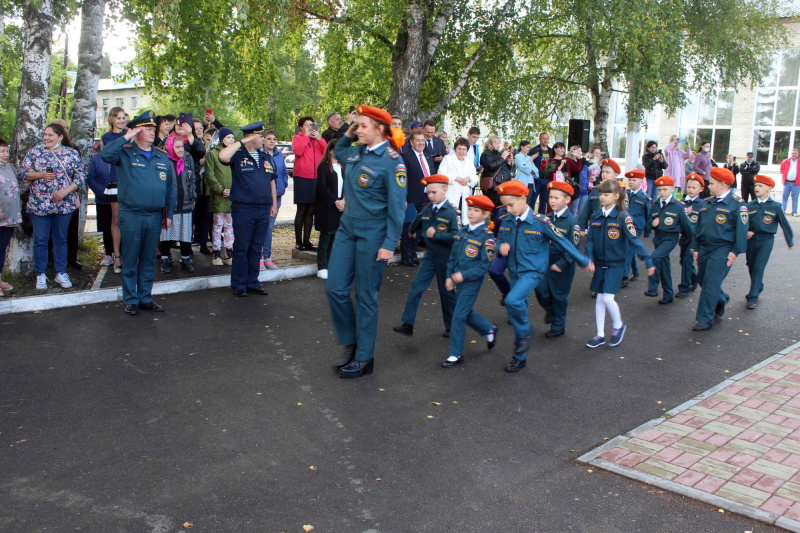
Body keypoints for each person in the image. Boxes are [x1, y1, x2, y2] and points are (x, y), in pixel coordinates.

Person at [326, 105, 407, 378]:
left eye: (362, 126)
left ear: (379, 129)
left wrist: (389, 242)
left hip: (373, 235)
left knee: (365, 297)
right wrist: (349, 133)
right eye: (356, 125)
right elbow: (337, 151)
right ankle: (352, 343)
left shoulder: (392, 161)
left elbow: (397, 208)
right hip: (348, 230)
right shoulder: (356, 150)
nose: (357, 129)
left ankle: (364, 357)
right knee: (336, 288)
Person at [496, 180, 591, 372]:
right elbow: (499, 240)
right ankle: (519, 357)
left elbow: (564, 242)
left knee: (512, 300)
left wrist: (582, 260)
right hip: (514, 272)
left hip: (533, 271)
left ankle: (527, 333)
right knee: (518, 312)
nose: (508, 209)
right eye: (505, 205)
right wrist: (500, 247)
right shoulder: (507, 220)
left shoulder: (541, 222)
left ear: (523, 199)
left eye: (511, 204)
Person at [100, 110, 176, 315]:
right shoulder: (124, 152)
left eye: (153, 129)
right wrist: (127, 135)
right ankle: (131, 299)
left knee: (149, 259)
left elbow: (170, 188)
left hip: (154, 216)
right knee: (131, 258)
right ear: (136, 132)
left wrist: (168, 214)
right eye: (148, 129)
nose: (153, 132)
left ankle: (145, 297)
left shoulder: (161, 156)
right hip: (132, 214)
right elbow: (105, 154)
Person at [584, 179, 654, 348]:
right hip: (600, 263)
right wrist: (588, 258)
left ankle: (618, 326)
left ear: (616, 196)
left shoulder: (623, 217)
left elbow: (634, 241)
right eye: (600, 194)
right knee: (600, 298)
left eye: (606, 194)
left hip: (616, 264)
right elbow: (591, 239)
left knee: (607, 298)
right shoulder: (596, 216)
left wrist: (647, 259)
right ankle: (599, 334)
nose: (602, 197)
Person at [18, 123, 85, 290]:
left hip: (63, 205)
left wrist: (64, 192)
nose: (46, 138)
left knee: (61, 240)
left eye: (50, 135)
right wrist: (40, 175)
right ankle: (40, 274)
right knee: (40, 240)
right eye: (45, 134)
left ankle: (60, 272)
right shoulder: (35, 152)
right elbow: (22, 172)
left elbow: (81, 176)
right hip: (39, 204)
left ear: (60, 136)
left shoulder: (71, 153)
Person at [393, 174, 459, 338]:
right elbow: (419, 219)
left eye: (433, 192)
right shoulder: (428, 208)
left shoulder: (452, 212)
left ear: (445, 190)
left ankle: (452, 326)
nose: (430, 195)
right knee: (416, 287)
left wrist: (436, 235)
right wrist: (411, 230)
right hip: (430, 256)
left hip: (446, 257)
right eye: (428, 192)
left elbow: (457, 237)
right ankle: (408, 324)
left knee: (447, 294)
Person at [218, 121, 278, 297]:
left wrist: (273, 204)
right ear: (251, 137)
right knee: (242, 246)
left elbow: (272, 181)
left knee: (256, 247)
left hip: (263, 208)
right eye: (260, 136)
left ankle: (253, 282)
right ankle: (239, 284)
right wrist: (243, 142)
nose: (263, 139)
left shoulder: (266, 157)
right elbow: (222, 156)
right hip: (244, 209)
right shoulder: (238, 155)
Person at [442, 194, 498, 368]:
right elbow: (452, 257)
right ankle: (488, 328)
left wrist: (463, 276)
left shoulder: (487, 237)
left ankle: (455, 354)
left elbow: (484, 265)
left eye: (476, 210)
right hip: (456, 278)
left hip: (471, 281)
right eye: (470, 209)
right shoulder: (462, 231)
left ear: (486, 214)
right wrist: (448, 276)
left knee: (458, 315)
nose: (471, 213)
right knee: (464, 311)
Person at [690, 167, 748, 331]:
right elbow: (698, 227)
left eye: (712, 183)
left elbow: (742, 230)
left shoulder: (737, 205)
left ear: (723, 184)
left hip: (723, 249)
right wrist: (696, 247)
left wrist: (736, 251)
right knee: (703, 280)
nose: (709, 186)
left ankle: (704, 319)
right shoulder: (707, 202)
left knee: (710, 284)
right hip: (704, 248)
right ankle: (720, 299)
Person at [534, 181, 582, 338]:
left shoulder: (572, 222)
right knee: (540, 289)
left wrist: (562, 263)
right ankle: (550, 310)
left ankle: (558, 325)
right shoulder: (545, 218)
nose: (552, 201)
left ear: (567, 200)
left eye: (556, 198)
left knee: (559, 296)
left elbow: (573, 247)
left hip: (563, 266)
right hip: (544, 263)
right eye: (550, 197)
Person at [745, 175, 794, 309]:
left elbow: (784, 224)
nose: (757, 188)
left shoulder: (776, 206)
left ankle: (752, 297)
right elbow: (743, 223)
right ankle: (758, 285)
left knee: (759, 267)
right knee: (751, 265)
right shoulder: (749, 205)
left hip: (766, 240)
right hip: (751, 240)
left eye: (760, 186)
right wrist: (745, 232)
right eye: (756, 186)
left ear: (769, 189)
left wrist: (790, 241)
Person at [644, 176, 693, 304]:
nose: (662, 192)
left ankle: (653, 289)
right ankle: (668, 293)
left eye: (665, 189)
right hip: (658, 238)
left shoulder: (678, 206)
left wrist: (692, 244)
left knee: (653, 258)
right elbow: (648, 221)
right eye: (659, 190)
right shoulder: (654, 205)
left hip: (670, 238)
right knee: (664, 266)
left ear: (672, 189)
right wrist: (651, 224)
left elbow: (687, 227)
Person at [159, 136, 197, 273]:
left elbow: (192, 177)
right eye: (177, 147)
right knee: (166, 233)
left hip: (186, 201)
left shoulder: (187, 157)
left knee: (186, 234)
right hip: (170, 204)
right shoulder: (164, 159)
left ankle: (186, 258)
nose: (181, 150)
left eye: (182, 146)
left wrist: (193, 197)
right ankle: (165, 259)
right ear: (170, 147)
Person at [400, 130, 435, 266]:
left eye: (422, 140)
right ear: (411, 142)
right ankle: (406, 256)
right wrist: (403, 198)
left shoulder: (428, 157)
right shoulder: (405, 156)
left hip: (426, 198)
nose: (421, 143)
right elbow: (402, 180)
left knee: (419, 227)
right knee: (409, 228)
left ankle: (413, 254)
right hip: (411, 198)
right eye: (418, 140)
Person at [292, 116, 327, 251]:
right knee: (302, 209)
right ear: (301, 127)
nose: (309, 127)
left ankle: (307, 240)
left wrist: (319, 138)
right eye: (306, 125)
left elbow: (327, 152)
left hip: (316, 177)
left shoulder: (317, 140)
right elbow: (298, 151)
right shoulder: (297, 138)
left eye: (311, 125)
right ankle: (298, 241)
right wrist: (305, 137)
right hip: (302, 177)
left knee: (311, 210)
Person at [100, 107, 127, 273]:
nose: (122, 121)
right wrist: (128, 136)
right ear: (111, 119)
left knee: (130, 220)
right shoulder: (107, 136)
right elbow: (114, 149)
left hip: (131, 181)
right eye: (118, 118)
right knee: (116, 219)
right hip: (116, 180)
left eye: (124, 117)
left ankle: (129, 254)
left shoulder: (131, 134)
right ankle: (116, 255)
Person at [205, 127, 235, 267]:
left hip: (232, 196)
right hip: (219, 196)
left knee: (229, 225)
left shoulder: (235, 154)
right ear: (222, 138)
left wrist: (235, 190)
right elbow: (209, 175)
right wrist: (220, 190)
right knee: (218, 225)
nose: (231, 140)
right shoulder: (213, 154)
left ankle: (228, 251)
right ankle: (216, 251)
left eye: (233, 138)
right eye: (228, 137)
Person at [314, 140, 344, 279]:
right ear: (331, 150)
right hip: (328, 206)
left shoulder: (343, 167)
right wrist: (335, 201)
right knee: (326, 237)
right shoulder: (324, 167)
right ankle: (322, 267)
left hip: (341, 206)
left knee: (336, 237)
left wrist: (344, 200)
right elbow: (322, 188)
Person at [262, 130, 290, 269]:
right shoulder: (260, 155)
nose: (272, 141)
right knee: (261, 227)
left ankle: (267, 256)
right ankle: (258, 256)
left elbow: (284, 173)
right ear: (263, 140)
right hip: (263, 196)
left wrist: (283, 185)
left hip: (277, 196)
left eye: (274, 139)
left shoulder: (279, 156)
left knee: (269, 227)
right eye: (269, 138)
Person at [676, 174, 704, 298]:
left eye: (694, 187)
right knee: (683, 261)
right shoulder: (681, 203)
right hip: (684, 236)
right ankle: (695, 278)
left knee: (687, 261)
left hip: (695, 237)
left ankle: (684, 287)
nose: (691, 190)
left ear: (701, 189)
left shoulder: (702, 204)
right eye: (689, 187)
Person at [0, 137, 21, 297]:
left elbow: (20, 186)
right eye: (1, 151)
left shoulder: (10, 167)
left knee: (2, 250)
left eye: (6, 150)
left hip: (9, 218)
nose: (5, 154)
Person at [439, 137, 478, 221]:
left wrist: (469, 179)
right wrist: (456, 178)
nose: (461, 151)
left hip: (464, 196)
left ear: (467, 150)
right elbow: (441, 174)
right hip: (451, 195)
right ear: (455, 149)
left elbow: (475, 178)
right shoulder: (447, 159)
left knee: (463, 220)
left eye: (464, 149)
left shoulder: (469, 161)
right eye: (459, 148)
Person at [623, 169, 649, 286]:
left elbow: (648, 214)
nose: (631, 182)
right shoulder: (626, 194)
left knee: (628, 248)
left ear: (641, 181)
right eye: (629, 180)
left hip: (637, 226)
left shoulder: (644, 197)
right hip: (626, 225)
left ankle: (624, 276)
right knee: (630, 248)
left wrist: (647, 230)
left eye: (634, 180)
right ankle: (636, 271)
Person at [579, 158, 619, 230]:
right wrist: (582, 227)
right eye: (603, 172)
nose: (604, 174)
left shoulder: (619, 191)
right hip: (595, 226)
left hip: (613, 228)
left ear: (615, 175)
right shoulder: (596, 190)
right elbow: (587, 209)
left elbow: (624, 211)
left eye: (607, 172)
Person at [479, 135, 514, 206]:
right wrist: (502, 158)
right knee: (494, 208)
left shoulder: (498, 154)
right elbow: (491, 166)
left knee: (501, 209)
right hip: (493, 187)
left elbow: (504, 168)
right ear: (490, 144)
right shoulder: (485, 154)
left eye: (499, 143)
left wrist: (509, 162)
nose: (498, 145)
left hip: (501, 185)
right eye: (496, 143)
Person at [529, 133, 551, 210]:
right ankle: (530, 218)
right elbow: (528, 162)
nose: (545, 140)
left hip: (547, 179)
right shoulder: (534, 150)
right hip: (537, 179)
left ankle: (541, 219)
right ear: (540, 139)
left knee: (544, 201)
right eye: (543, 138)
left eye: (547, 138)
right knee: (532, 200)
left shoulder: (551, 151)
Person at [514, 141, 538, 210]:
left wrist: (531, 166)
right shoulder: (518, 156)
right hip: (522, 181)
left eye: (529, 147)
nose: (528, 149)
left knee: (528, 201)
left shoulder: (529, 157)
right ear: (522, 147)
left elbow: (535, 169)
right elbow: (524, 167)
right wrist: (531, 160)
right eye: (527, 147)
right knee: (521, 200)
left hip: (530, 182)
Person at [780, 148, 800, 217]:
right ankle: (782, 210)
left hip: (796, 183)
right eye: (792, 153)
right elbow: (781, 170)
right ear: (790, 154)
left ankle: (794, 212)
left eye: (795, 153)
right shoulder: (785, 161)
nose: (794, 154)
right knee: (784, 197)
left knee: (795, 198)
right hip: (787, 182)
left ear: (798, 154)